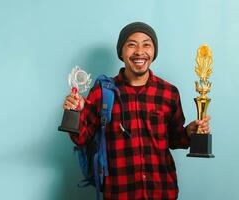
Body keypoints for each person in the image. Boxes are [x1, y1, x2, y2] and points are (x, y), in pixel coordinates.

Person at [63, 22, 210, 200]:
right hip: (119, 193)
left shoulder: (169, 93)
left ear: (154, 51)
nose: (139, 51)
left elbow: (174, 139)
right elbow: (82, 138)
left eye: (146, 44)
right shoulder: (103, 92)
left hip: (162, 192)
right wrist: (74, 113)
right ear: (121, 52)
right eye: (131, 44)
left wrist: (189, 132)